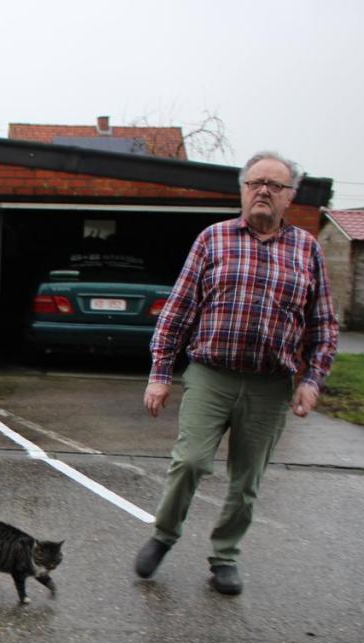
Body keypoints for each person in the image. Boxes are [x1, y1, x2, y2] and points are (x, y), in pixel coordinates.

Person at [132, 151, 338, 595]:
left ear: (290, 197)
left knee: (246, 481)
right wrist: (160, 372)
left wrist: (311, 380)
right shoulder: (213, 239)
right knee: (190, 462)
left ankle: (224, 557)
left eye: (275, 185)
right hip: (211, 374)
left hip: (271, 383)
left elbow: (323, 325)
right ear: (243, 190)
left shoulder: (308, 250)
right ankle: (163, 536)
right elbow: (178, 311)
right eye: (255, 182)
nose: (263, 190)